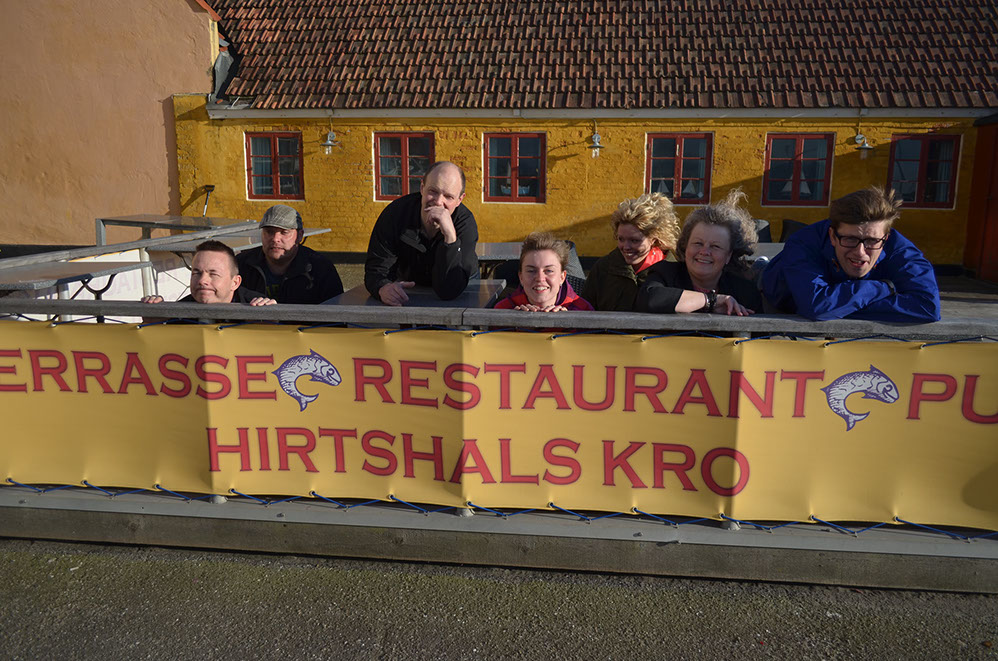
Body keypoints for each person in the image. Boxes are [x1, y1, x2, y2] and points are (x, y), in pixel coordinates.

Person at [761, 187, 940, 322]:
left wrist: (839, 305)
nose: (860, 252)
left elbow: (928, 307)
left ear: (886, 238)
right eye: (850, 239)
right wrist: (884, 288)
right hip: (773, 296)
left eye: (871, 241)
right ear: (832, 236)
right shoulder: (804, 242)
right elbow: (816, 306)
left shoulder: (902, 250)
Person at [364, 161, 479, 306]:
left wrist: (450, 238)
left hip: (462, 282)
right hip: (410, 284)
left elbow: (449, 291)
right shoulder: (396, 214)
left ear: (459, 200)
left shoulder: (465, 224)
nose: (438, 202)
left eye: (448, 196)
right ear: (422, 188)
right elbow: (376, 269)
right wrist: (383, 287)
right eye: (433, 191)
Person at [635, 190, 763, 315]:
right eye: (698, 243)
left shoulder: (745, 291)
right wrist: (711, 301)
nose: (704, 252)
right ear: (685, 246)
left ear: (729, 255)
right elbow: (650, 299)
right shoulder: (665, 273)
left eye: (715, 246)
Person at [582, 192, 680, 311]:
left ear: (653, 240)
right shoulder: (603, 269)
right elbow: (583, 309)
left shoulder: (673, 273)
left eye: (634, 240)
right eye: (621, 239)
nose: (626, 247)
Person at [237, 204, 343, 304]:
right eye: (269, 232)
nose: (275, 239)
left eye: (284, 232)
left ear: (299, 236)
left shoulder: (320, 269)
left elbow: (336, 312)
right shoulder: (241, 265)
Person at [141, 240, 275, 307]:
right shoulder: (180, 312)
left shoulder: (257, 309)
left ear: (235, 283)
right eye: (196, 273)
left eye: (213, 274)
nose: (202, 281)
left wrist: (270, 324)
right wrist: (155, 322)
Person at [494, 232, 593, 312]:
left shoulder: (583, 311)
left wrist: (567, 324)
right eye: (531, 271)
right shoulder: (503, 310)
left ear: (562, 277)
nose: (540, 278)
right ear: (521, 277)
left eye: (549, 271)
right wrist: (516, 324)